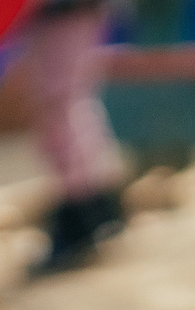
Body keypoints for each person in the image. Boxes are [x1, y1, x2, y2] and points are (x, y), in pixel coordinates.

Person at [17, 0, 132, 277]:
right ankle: (98, 204)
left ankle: (81, 213)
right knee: (66, 99)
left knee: (59, 101)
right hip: (55, 11)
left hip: (65, 9)